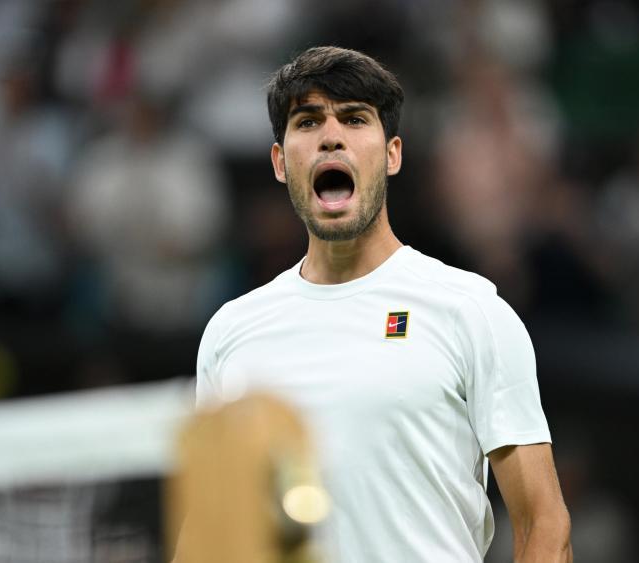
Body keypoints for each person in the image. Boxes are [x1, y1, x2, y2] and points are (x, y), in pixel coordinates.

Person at [194, 46, 571, 562]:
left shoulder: (470, 311)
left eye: (354, 119)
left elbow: (544, 524)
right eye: (307, 122)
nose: (331, 136)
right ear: (281, 162)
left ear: (392, 154)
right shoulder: (229, 333)